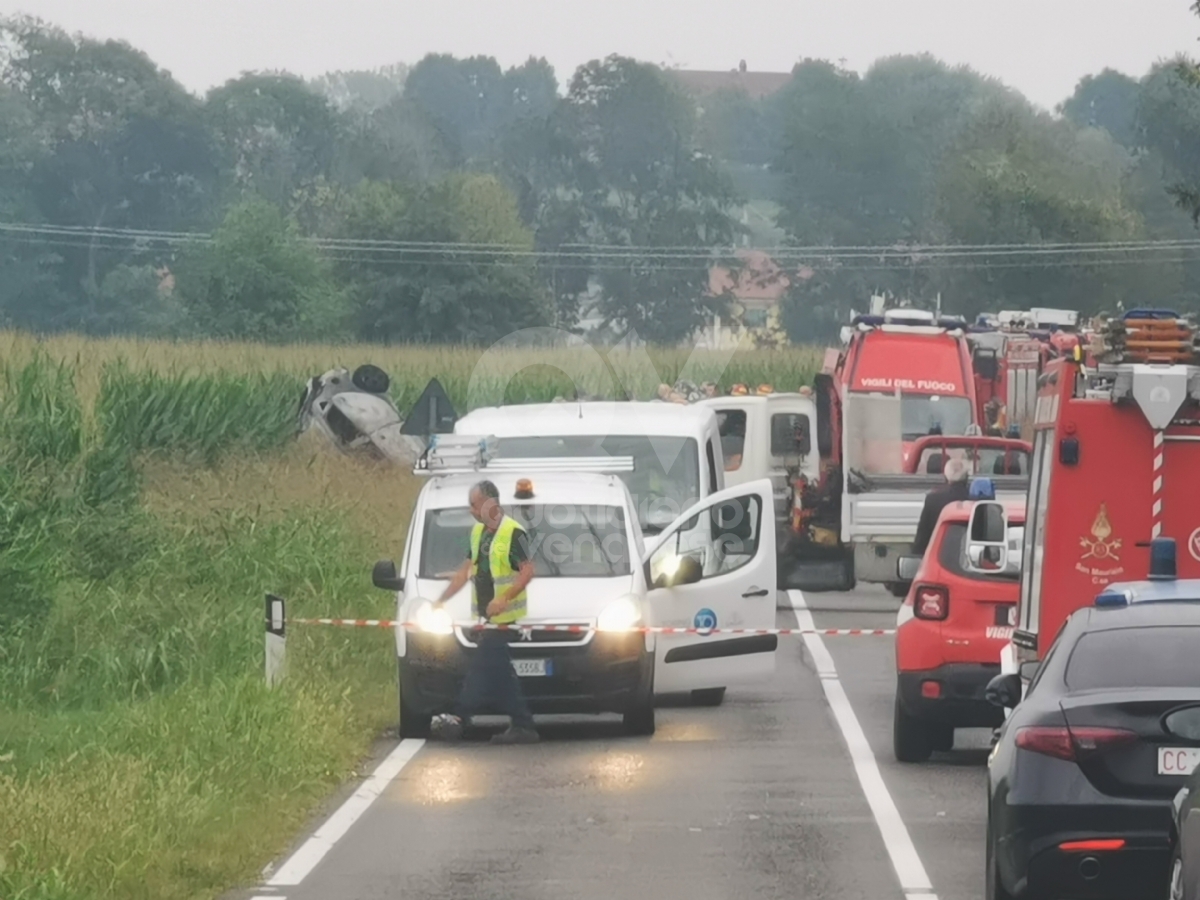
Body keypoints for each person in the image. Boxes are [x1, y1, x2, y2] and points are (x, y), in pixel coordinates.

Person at [429, 480, 539, 745]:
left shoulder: (514, 533)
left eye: (474, 504)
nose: (471, 510)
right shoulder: (479, 533)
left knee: (481, 667)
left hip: (504, 618)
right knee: (500, 672)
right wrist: (441, 601)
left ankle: (460, 717)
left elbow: (527, 571)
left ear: (490, 503)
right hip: (487, 618)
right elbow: (465, 570)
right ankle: (523, 724)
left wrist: (504, 599)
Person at [911, 457, 972, 557]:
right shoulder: (974, 501)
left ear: (946, 476)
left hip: (939, 560)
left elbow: (922, 539)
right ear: (966, 477)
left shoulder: (933, 500)